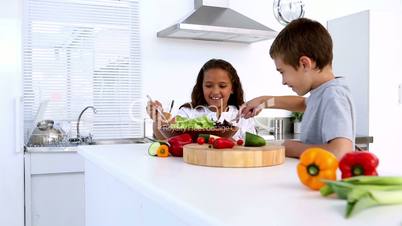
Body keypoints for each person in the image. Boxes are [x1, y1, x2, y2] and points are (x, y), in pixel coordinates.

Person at [241, 18, 355, 160]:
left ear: (304, 64)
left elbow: (340, 152)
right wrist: (263, 101)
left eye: (282, 72)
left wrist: (292, 148)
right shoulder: (321, 93)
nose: (283, 81)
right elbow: (301, 104)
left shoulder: (334, 95)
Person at [147, 58, 256, 140]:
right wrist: (157, 119)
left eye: (222, 86)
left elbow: (251, 147)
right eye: (208, 86)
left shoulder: (243, 115)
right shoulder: (188, 112)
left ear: (233, 88)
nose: (215, 92)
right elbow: (165, 138)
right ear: (201, 87)